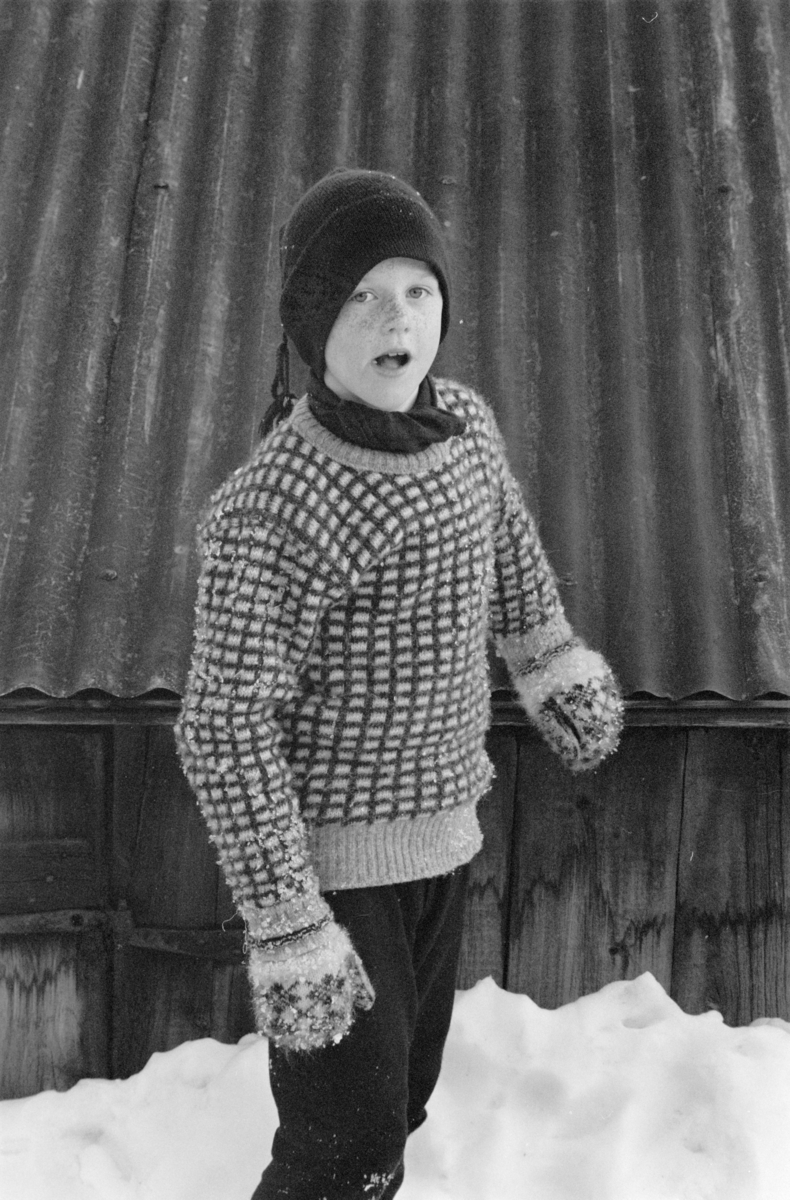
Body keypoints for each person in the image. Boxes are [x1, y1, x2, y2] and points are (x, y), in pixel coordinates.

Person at [175, 168, 623, 1200]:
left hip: (442, 837)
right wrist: (290, 923)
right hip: (335, 869)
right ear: (312, 327)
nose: (398, 318)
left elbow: (505, 545)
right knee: (344, 1146)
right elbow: (223, 724)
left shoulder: (463, 425)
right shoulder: (274, 507)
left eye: (418, 291)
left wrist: (548, 662)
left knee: (402, 1105)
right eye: (364, 295)